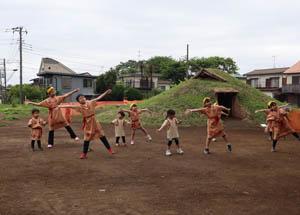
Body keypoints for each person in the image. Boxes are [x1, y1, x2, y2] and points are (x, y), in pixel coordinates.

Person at [59, 89, 114, 159]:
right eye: (80, 98)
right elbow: (69, 105)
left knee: (102, 135)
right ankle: (84, 154)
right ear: (78, 101)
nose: (82, 98)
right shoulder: (79, 107)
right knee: (86, 139)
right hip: (87, 123)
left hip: (94, 121)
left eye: (83, 97)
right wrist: (60, 106)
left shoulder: (90, 102)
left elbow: (98, 98)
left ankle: (110, 150)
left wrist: (106, 92)